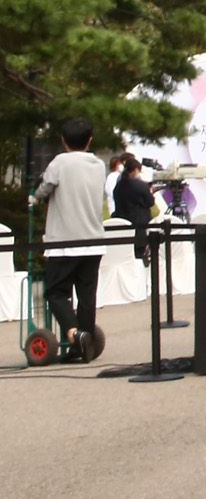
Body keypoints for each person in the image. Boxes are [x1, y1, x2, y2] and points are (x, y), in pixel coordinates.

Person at [32, 117, 108, 364]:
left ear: (63, 141)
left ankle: (75, 334)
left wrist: (34, 199)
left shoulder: (60, 163)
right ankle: (83, 347)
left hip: (63, 241)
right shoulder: (98, 164)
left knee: (55, 292)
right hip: (93, 239)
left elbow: (45, 188)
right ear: (90, 140)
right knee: (87, 295)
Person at [112, 153, 155, 256]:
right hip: (139, 224)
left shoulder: (119, 186)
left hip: (122, 223)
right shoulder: (141, 186)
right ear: (136, 170)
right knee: (139, 254)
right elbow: (150, 202)